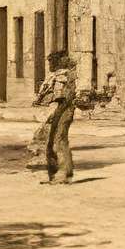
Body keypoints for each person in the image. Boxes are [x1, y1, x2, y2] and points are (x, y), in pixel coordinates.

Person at [30, 49, 78, 183]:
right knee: (50, 142)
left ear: (57, 62)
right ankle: (54, 175)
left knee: (59, 141)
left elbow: (65, 98)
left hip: (63, 111)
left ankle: (63, 174)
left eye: (51, 62)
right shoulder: (54, 75)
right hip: (54, 112)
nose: (49, 65)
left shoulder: (65, 76)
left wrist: (54, 114)